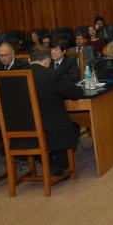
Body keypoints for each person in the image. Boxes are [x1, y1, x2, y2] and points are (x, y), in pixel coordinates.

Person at [29, 46, 83, 176]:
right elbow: (75, 94)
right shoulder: (52, 74)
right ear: (48, 60)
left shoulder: (14, 75)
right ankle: (57, 164)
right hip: (50, 131)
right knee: (74, 126)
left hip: (24, 130)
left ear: (30, 60)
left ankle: (46, 159)